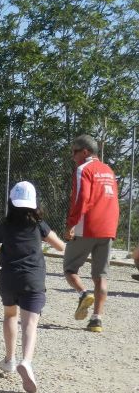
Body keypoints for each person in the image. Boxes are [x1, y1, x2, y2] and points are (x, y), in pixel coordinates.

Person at [0, 181, 65, 393]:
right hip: (33, 279)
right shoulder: (39, 225)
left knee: (9, 315)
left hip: (8, 279)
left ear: (11, 203)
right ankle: (26, 361)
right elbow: (61, 246)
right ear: (34, 204)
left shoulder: (4, 227)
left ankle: (9, 359)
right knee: (30, 323)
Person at [63, 134, 120, 333]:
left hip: (86, 226)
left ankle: (83, 294)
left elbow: (81, 199)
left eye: (74, 151)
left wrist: (71, 224)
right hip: (108, 228)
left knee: (70, 269)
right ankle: (97, 320)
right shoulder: (108, 170)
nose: (72, 156)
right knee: (101, 276)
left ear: (85, 152)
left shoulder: (83, 170)